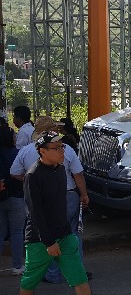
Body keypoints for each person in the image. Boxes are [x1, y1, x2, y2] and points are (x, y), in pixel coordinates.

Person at [10, 116, 90, 284]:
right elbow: (78, 174)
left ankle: (52, 274)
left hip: (39, 199)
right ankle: (75, 270)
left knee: (46, 236)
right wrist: (84, 194)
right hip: (67, 196)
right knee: (71, 234)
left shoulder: (26, 151)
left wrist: (29, 183)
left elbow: (14, 172)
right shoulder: (65, 149)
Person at [0, 123, 25, 276]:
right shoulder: (17, 154)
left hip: (1, 198)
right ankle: (17, 265)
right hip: (16, 196)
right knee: (17, 232)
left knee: (0, 232)